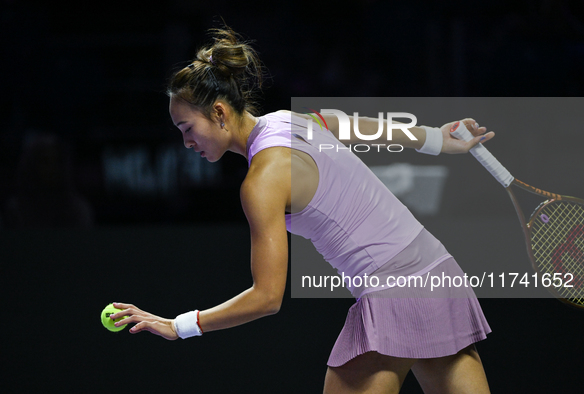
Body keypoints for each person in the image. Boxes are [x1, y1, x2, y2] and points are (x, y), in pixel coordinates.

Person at [110, 27, 495, 393]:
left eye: (187, 127)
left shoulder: (262, 182)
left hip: (393, 290)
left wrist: (180, 326)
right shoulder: (289, 120)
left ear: (220, 113)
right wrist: (435, 140)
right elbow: (349, 125)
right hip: (437, 271)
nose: (186, 141)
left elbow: (267, 298)